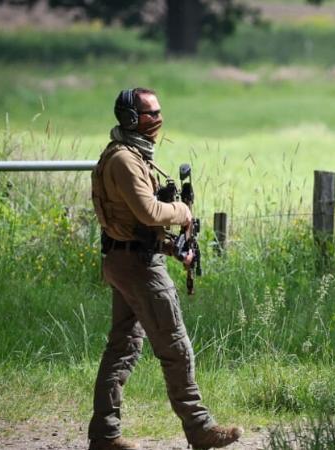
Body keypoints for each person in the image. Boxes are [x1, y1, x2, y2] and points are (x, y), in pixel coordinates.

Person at [88, 87, 242, 450]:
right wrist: (184, 214)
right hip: (139, 269)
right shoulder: (125, 160)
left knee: (122, 348)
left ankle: (104, 436)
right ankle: (200, 429)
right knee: (175, 346)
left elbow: (133, 226)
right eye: (149, 114)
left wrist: (174, 248)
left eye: (159, 113)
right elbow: (149, 213)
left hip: (126, 260)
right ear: (130, 119)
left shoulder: (130, 155)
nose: (157, 120)